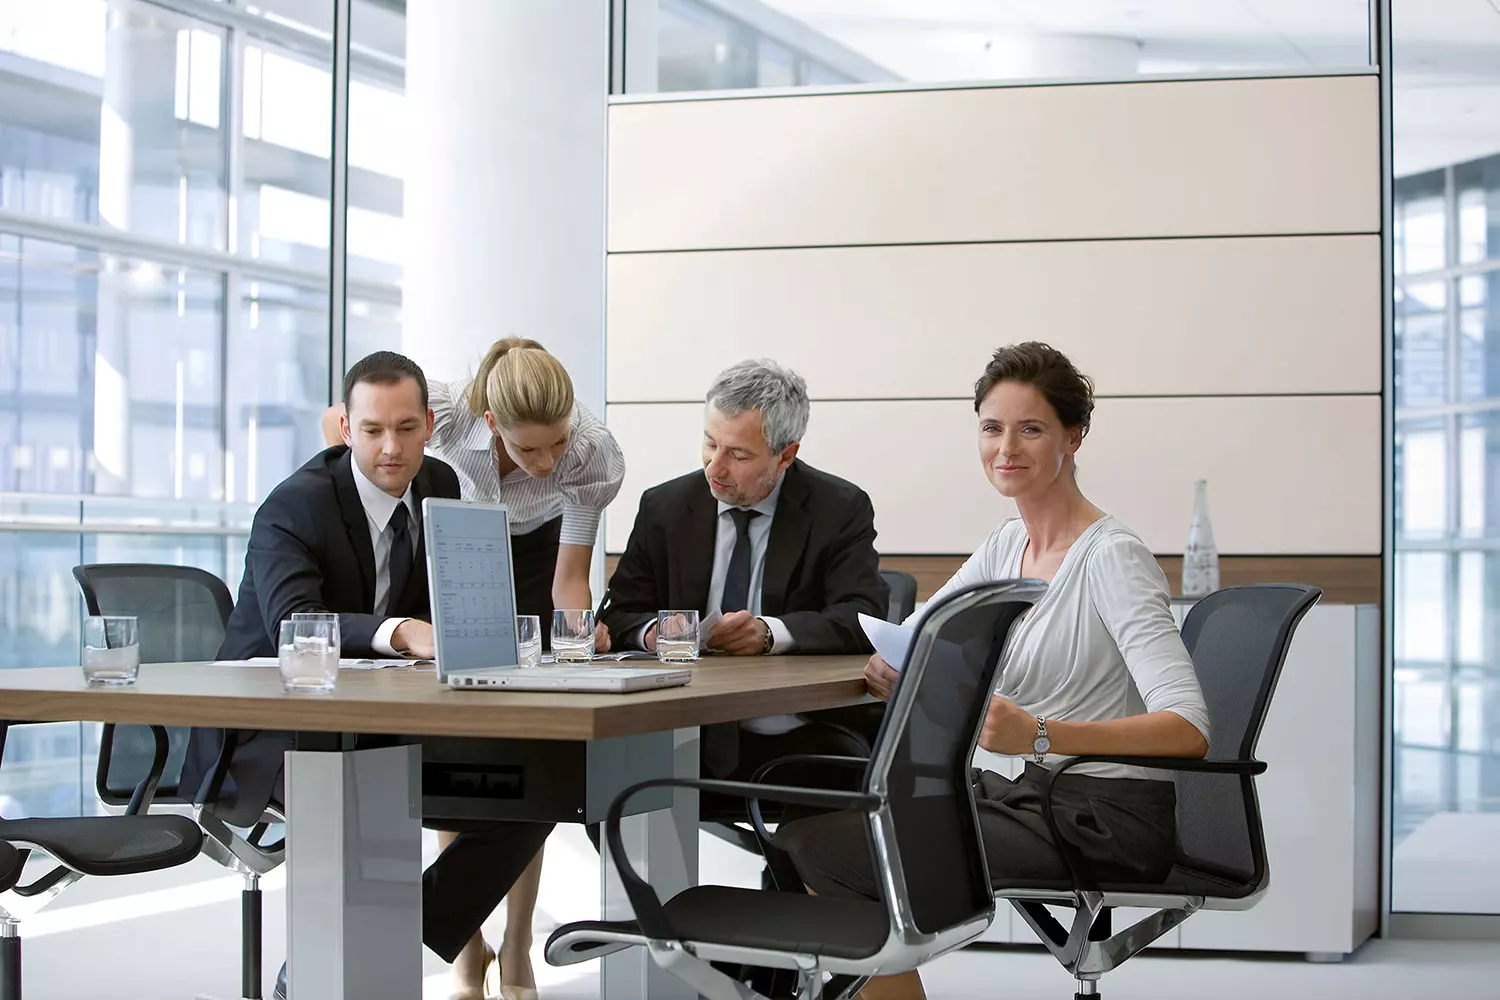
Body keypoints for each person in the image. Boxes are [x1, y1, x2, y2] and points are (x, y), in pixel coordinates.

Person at [774, 343, 1212, 1000]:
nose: (1006, 447)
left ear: (1074, 436)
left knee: (842, 850)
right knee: (811, 831)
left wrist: (1039, 733)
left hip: (1107, 822)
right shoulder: (1008, 544)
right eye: (992, 427)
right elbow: (926, 636)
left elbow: (1189, 729)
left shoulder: (1112, 558)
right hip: (1036, 797)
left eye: (1030, 428)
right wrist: (899, 667)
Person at [184, 352, 554, 1000]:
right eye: (374, 429)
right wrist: (401, 632)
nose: (391, 447)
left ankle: (393, 923)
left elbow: (459, 600)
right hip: (275, 734)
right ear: (344, 428)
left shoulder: (438, 484)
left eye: (407, 428)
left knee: (537, 785)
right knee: (366, 790)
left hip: (385, 725)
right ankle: (343, 956)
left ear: (429, 424)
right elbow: (297, 625)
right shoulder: (294, 506)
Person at [322, 337, 624, 999]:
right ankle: (467, 942)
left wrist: (571, 649)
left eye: (557, 443)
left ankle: (516, 944)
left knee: (527, 753)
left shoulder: (593, 455)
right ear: (493, 425)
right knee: (466, 733)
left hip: (542, 550)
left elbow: (571, 579)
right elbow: (344, 430)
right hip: (457, 540)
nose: (547, 462)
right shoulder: (448, 415)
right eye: (529, 448)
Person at [598, 358, 889, 782]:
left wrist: (771, 633)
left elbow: (864, 616)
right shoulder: (665, 508)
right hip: (683, 727)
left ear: (786, 455)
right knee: (607, 786)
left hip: (797, 731)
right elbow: (620, 611)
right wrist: (651, 632)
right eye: (710, 443)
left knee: (828, 814)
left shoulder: (839, 508)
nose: (715, 467)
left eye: (737, 454)